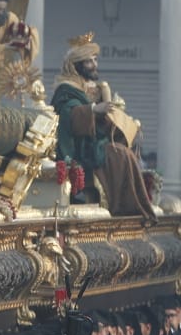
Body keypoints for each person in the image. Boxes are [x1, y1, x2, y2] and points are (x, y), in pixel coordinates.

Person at [49, 33, 154, 219]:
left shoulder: (93, 87)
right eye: (89, 61)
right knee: (119, 155)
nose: (95, 65)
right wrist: (93, 109)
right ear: (76, 65)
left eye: (95, 60)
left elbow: (106, 119)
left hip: (95, 140)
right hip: (79, 145)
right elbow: (68, 116)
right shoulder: (65, 88)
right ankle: (121, 207)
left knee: (124, 152)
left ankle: (132, 206)